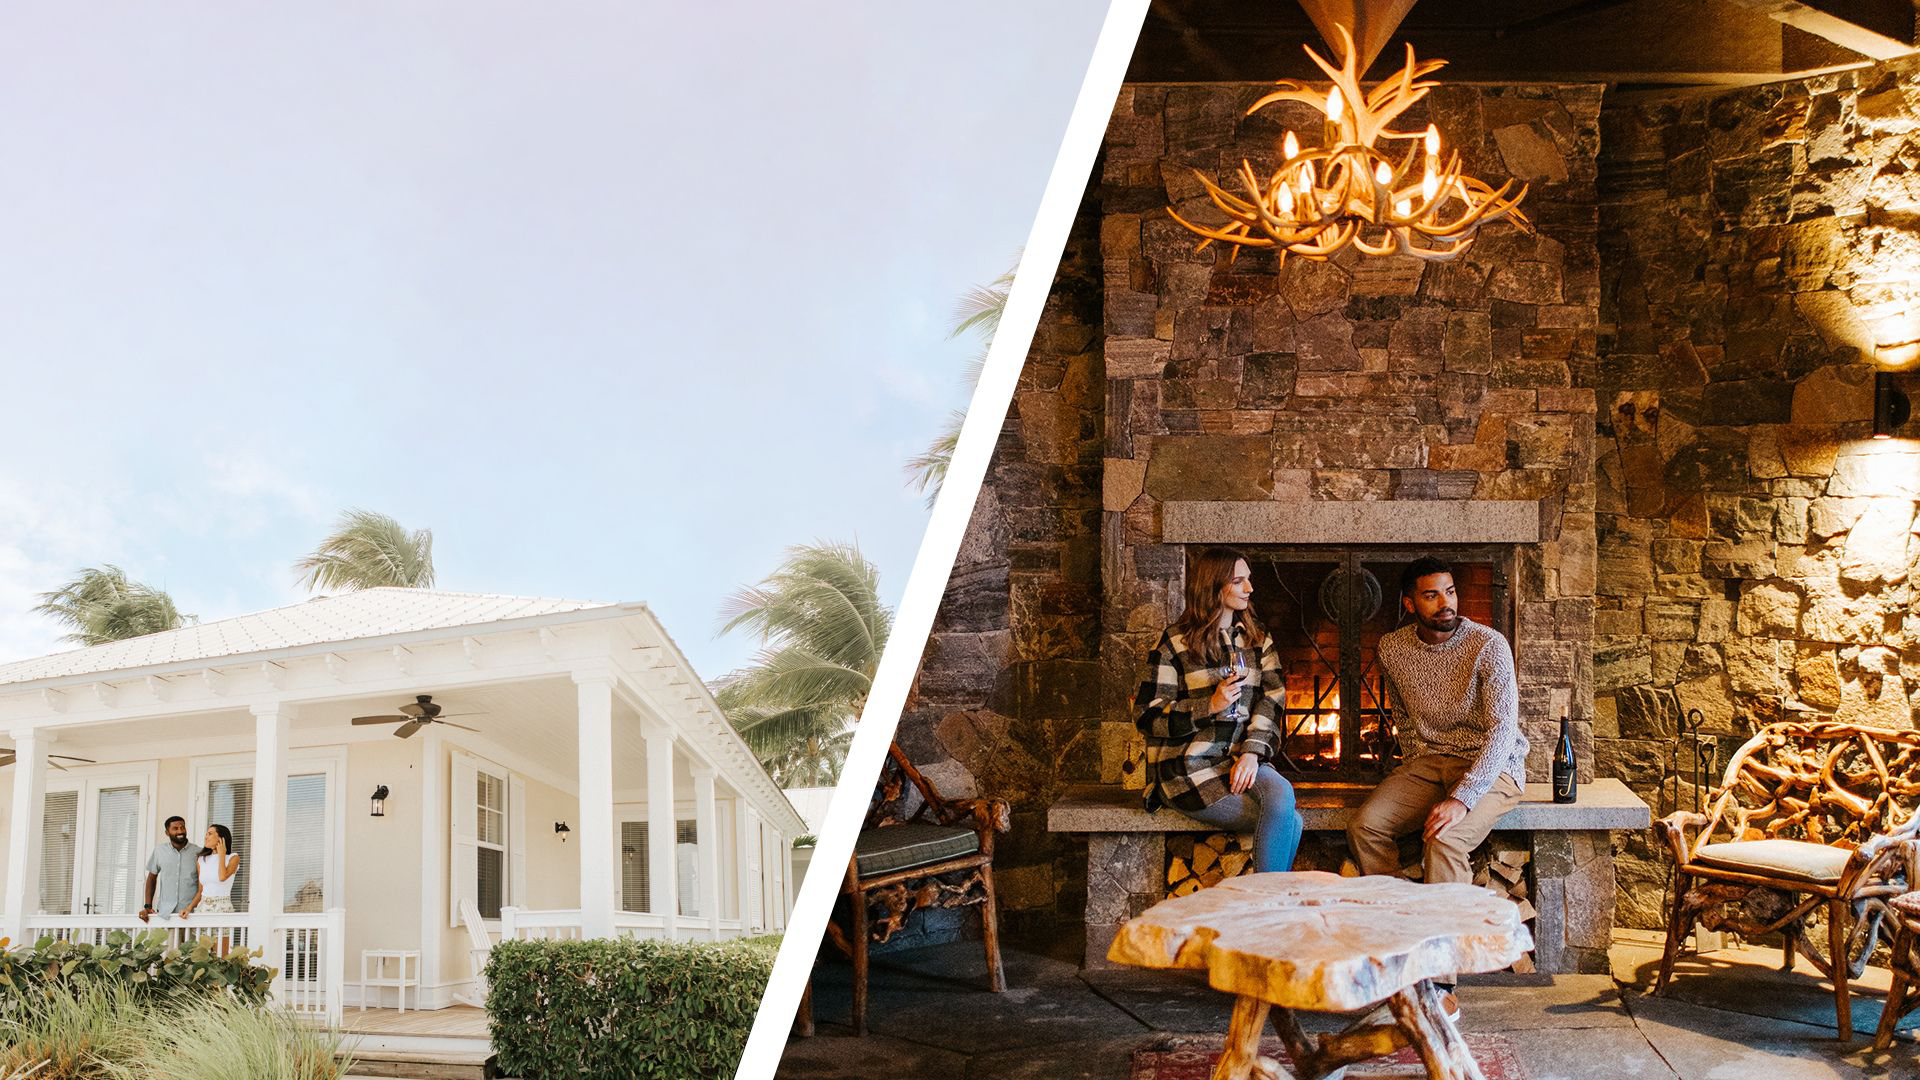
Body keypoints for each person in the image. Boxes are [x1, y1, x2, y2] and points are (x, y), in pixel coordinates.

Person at [1347, 556, 1529, 1015]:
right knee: (1366, 826)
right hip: (1430, 761)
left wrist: (1462, 798)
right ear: (1410, 603)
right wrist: (1417, 762)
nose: (1445, 603)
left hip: (1495, 765)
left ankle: (1439, 982)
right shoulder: (1392, 648)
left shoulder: (1489, 645)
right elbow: (1405, 716)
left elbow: (1503, 730)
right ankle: (1402, 936)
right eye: (1431, 595)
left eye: (1449, 591)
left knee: (1445, 841)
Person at [1133, 546, 1302, 873]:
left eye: (1248, 580)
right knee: (1288, 819)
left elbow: (1273, 699)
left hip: (1241, 760)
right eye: (1239, 581)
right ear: (1213, 586)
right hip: (1188, 768)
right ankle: (1267, 907)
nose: (1250, 589)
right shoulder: (1174, 644)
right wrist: (1207, 706)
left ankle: (1260, 908)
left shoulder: (1257, 639)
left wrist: (1252, 753)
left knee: (1281, 795)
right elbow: (1147, 716)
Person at [139, 815, 200, 922]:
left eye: (182, 827)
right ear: (167, 833)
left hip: (191, 914)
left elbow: (203, 884)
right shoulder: (159, 851)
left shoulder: (198, 852)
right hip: (166, 913)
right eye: (175, 828)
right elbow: (151, 879)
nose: (180, 831)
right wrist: (147, 906)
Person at [181, 824, 240, 917]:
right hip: (203, 909)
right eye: (206, 834)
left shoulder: (233, 858)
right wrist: (189, 908)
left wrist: (222, 855)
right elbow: (201, 891)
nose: (206, 837)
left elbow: (222, 877)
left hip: (222, 909)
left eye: (210, 834)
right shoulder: (201, 859)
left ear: (221, 838)